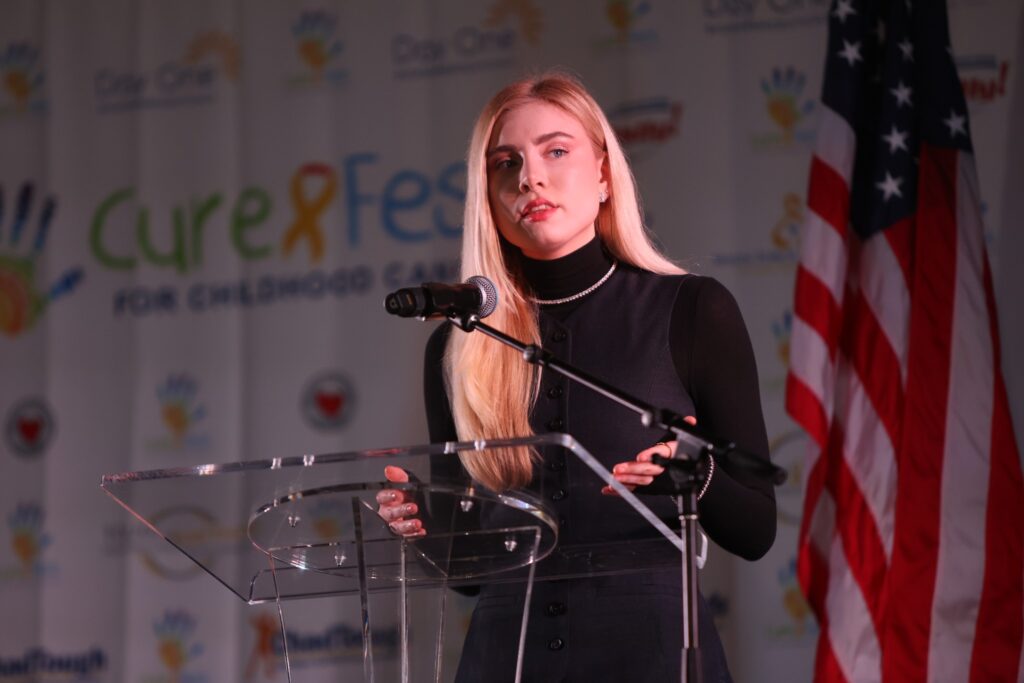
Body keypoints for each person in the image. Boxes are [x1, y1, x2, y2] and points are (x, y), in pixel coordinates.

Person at [378, 71, 776, 683]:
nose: (529, 178)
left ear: (604, 175)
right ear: (487, 197)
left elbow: (755, 530)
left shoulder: (693, 311)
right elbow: (474, 576)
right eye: (504, 163)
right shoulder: (458, 348)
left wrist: (699, 477)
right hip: (506, 660)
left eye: (556, 151)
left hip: (652, 656)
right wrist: (428, 528)